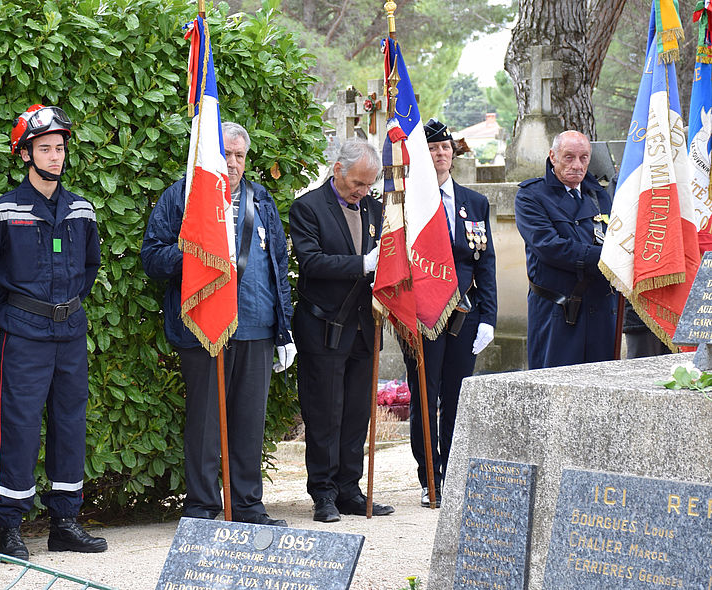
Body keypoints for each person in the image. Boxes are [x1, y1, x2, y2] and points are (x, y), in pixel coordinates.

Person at [0, 104, 105, 561]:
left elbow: (90, 266)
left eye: (59, 148)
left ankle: (66, 521)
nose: (55, 156)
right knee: (20, 427)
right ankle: (11, 526)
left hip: (69, 332)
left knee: (70, 424)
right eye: (44, 148)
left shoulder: (81, 208)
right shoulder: (2, 212)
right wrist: (13, 310)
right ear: (25, 154)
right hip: (23, 334)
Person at [141, 122, 296, 526]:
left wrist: (285, 330)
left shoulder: (261, 200)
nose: (232, 163)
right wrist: (197, 257)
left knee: (248, 425)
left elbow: (279, 265)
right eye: (225, 154)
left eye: (239, 155)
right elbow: (152, 257)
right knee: (206, 425)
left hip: (257, 328)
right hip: (203, 329)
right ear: (209, 154)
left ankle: (247, 505)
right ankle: (204, 507)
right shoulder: (182, 196)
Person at [288, 137, 394, 522]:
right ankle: (324, 493)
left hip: (364, 328)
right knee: (325, 414)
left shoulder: (376, 208)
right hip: (325, 326)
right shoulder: (308, 208)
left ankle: (350, 488)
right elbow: (311, 261)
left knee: (355, 416)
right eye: (357, 184)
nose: (363, 192)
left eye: (369, 185)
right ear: (338, 170)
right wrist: (363, 264)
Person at [403, 119, 497, 508]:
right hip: (421, 314)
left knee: (456, 397)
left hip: (463, 314)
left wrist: (489, 316)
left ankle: (454, 470)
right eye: (432, 149)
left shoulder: (474, 202)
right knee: (425, 396)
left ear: (453, 154)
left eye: (445, 148)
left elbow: (486, 262)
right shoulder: (407, 201)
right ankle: (431, 476)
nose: (440, 154)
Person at [515, 130, 615, 369]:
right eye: (569, 157)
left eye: (584, 158)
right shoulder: (531, 196)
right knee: (555, 390)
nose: (577, 165)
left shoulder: (600, 196)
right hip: (558, 312)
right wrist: (609, 258)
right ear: (553, 156)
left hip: (600, 309)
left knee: (600, 388)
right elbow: (550, 247)